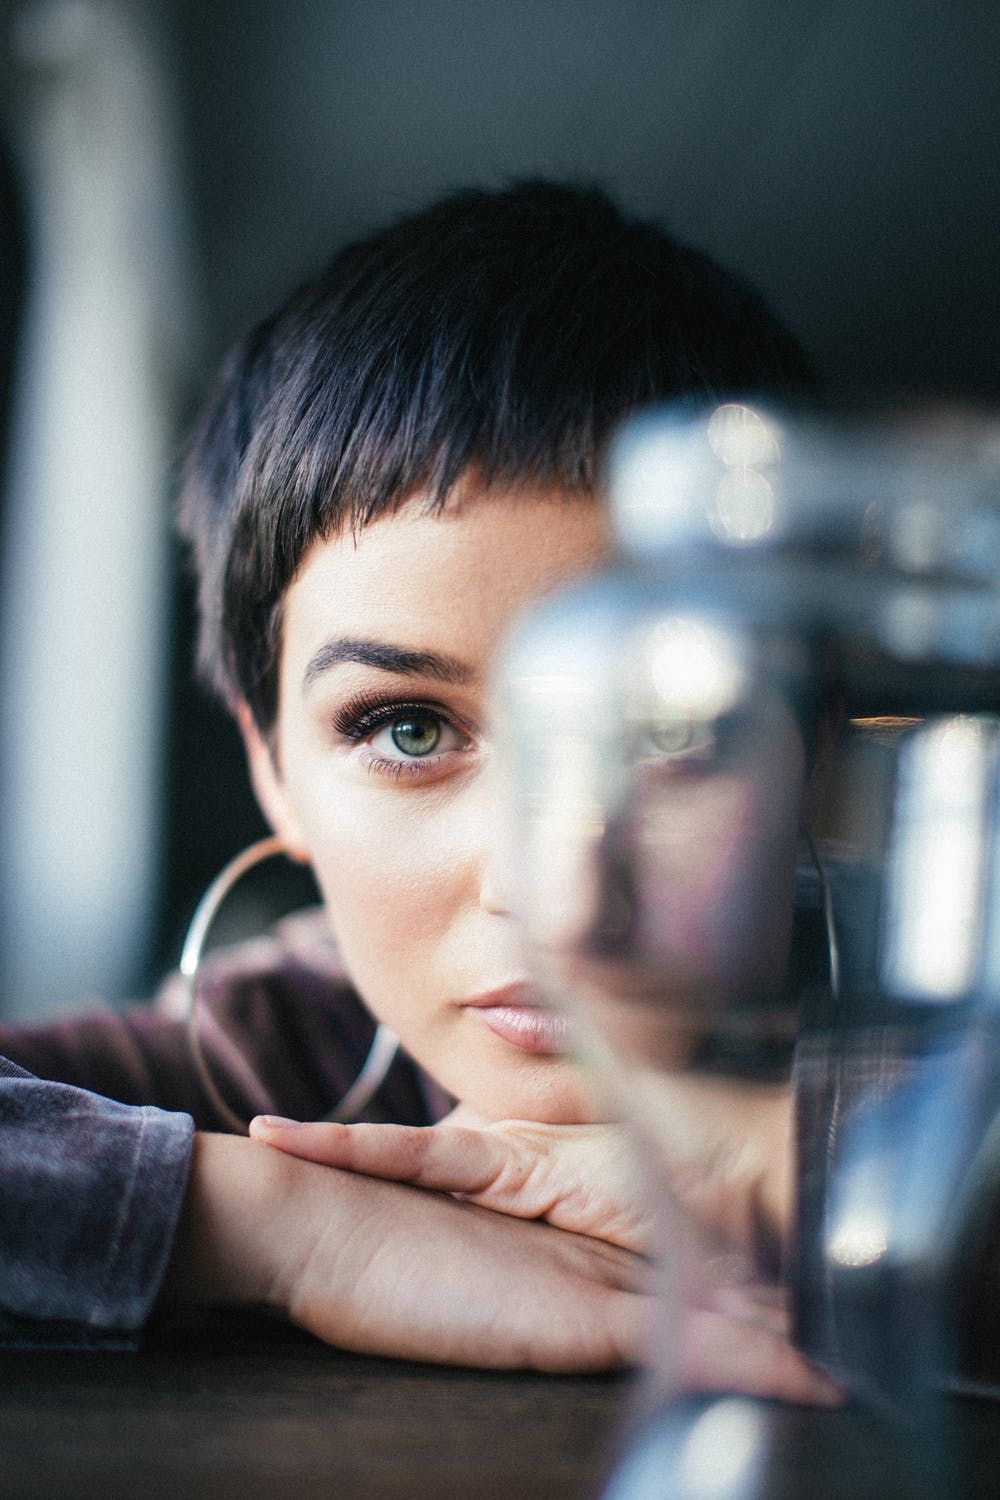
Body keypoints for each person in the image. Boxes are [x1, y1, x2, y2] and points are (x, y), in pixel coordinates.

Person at [0, 180, 840, 1398]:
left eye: (662, 724)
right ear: (271, 766)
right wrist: (275, 1226)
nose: (547, 889)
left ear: (809, 749)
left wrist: (822, 1172)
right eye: (405, 728)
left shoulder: (941, 1025)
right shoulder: (253, 1065)